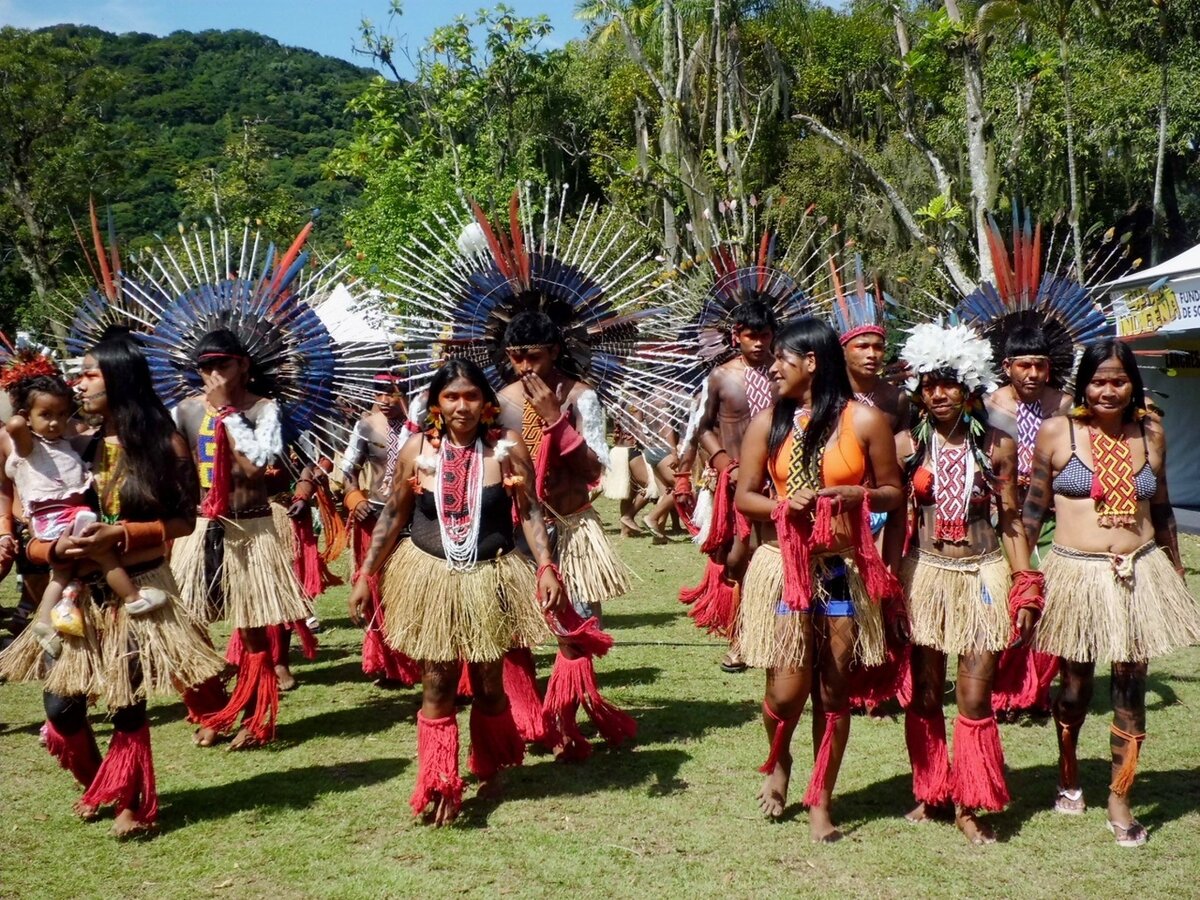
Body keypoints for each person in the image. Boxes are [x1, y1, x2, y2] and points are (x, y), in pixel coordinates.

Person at [13, 333, 224, 837]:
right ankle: (99, 784)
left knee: (126, 702)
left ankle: (130, 802)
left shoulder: (163, 443)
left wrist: (121, 533)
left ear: (119, 378)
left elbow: (182, 522)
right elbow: (32, 521)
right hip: (74, 593)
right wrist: (50, 551)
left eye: (89, 374)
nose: (78, 383)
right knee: (61, 709)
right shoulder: (69, 443)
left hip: (136, 589)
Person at [349, 358, 561, 825]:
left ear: (486, 402)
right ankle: (439, 779)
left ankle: (492, 764)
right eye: (451, 397)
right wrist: (366, 573)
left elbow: (529, 512)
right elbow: (393, 517)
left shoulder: (505, 449)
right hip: (430, 579)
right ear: (436, 404)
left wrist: (546, 565)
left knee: (488, 685)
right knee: (438, 683)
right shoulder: (415, 451)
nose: (461, 406)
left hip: (489, 579)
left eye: (470, 396)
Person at [1022, 339, 1200, 847]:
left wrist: (1175, 564)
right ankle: (1069, 767)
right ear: (1084, 385)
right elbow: (1033, 512)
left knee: (1130, 686)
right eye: (1098, 381)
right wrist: (1021, 578)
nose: (1107, 390)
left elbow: (1161, 506)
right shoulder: (1059, 433)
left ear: (1132, 385)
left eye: (1118, 380)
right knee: (1076, 687)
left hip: (1139, 574)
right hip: (1077, 574)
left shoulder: (1150, 432)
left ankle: (1120, 797)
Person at [733, 318, 903, 841]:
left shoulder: (866, 421)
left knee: (833, 688)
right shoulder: (769, 423)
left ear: (811, 362)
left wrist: (862, 496)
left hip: (838, 570)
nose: (773, 366)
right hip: (785, 570)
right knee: (786, 693)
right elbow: (745, 496)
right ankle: (779, 757)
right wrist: (783, 504)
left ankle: (820, 799)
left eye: (782, 358)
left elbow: (896, 492)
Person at [896, 321, 1041, 845]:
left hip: (982, 575)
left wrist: (1025, 582)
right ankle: (931, 791)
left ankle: (970, 801)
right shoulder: (907, 444)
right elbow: (895, 521)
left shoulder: (998, 447)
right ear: (918, 388)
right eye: (930, 384)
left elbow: (1010, 520)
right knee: (927, 694)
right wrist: (890, 583)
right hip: (927, 576)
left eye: (950, 383)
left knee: (975, 700)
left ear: (970, 387)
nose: (939, 394)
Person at [170, 328, 313, 749]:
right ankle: (216, 711)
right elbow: (176, 470)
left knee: (252, 632)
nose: (212, 374)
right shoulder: (184, 411)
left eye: (221, 364)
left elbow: (256, 467)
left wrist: (226, 412)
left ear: (243, 366)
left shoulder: (265, 410)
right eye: (205, 367)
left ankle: (255, 717)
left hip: (250, 529)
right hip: (199, 529)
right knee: (190, 626)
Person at [6, 373, 168, 648]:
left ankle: (44, 620)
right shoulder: (29, 447)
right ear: (28, 416)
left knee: (61, 574)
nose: (55, 422)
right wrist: (22, 415)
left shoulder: (64, 443)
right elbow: (14, 426)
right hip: (56, 517)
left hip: (65, 516)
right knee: (104, 553)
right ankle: (132, 598)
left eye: (61, 414)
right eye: (45, 415)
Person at [676, 299, 779, 668]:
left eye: (765, 335)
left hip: (778, 484)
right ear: (737, 336)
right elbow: (701, 427)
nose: (758, 343)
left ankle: (767, 638)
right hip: (734, 484)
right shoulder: (721, 376)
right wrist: (723, 465)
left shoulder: (783, 373)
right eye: (751, 336)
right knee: (737, 560)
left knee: (773, 560)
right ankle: (740, 636)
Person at [985, 326, 1071, 720]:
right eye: (1025, 366)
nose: (1034, 374)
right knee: (1010, 600)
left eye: (1040, 365)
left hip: (1052, 516)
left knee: (1048, 601)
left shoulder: (1064, 405)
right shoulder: (988, 405)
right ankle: (1003, 690)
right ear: (1007, 367)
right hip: (1002, 516)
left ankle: (1036, 692)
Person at [337, 371, 421, 686]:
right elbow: (348, 471)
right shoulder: (365, 426)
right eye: (379, 392)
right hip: (373, 519)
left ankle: (422, 660)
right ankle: (393, 667)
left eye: (391, 392)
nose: (384, 400)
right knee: (377, 594)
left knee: (411, 593)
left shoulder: (423, 427)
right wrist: (353, 496)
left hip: (414, 521)